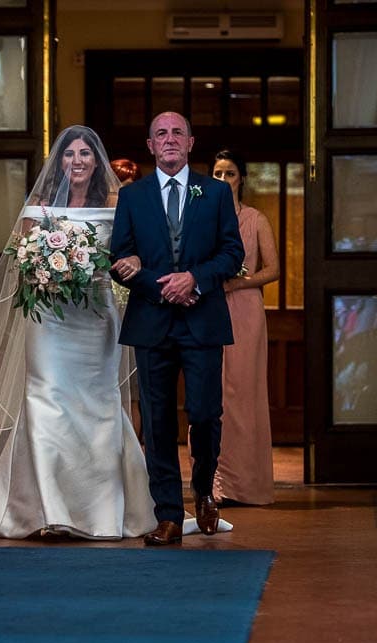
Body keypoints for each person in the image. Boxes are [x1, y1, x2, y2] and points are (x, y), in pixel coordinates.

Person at [0, 125, 157, 540]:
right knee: (45, 397)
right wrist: (45, 269)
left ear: (97, 162)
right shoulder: (37, 206)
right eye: (69, 154)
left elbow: (133, 253)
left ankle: (101, 508)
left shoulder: (118, 203)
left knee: (98, 403)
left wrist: (117, 266)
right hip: (49, 319)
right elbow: (20, 261)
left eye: (85, 154)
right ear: (59, 162)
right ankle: (48, 511)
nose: (77, 161)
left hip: (95, 318)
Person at [110, 111, 245, 546]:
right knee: (157, 423)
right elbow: (120, 258)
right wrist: (163, 286)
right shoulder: (133, 197)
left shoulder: (217, 192)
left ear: (190, 142)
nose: (169, 139)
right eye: (160, 134)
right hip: (152, 323)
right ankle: (167, 514)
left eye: (177, 133)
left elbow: (231, 253)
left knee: (205, 414)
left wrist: (195, 280)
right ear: (150, 146)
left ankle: (203, 488)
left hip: (203, 321)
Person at [211, 149, 279, 506]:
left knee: (243, 394)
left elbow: (274, 269)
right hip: (209, 307)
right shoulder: (201, 217)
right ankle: (214, 483)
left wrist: (240, 282)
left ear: (242, 179)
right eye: (218, 174)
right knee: (210, 394)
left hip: (246, 308)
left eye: (230, 174)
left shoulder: (255, 219)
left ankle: (247, 485)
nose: (223, 180)